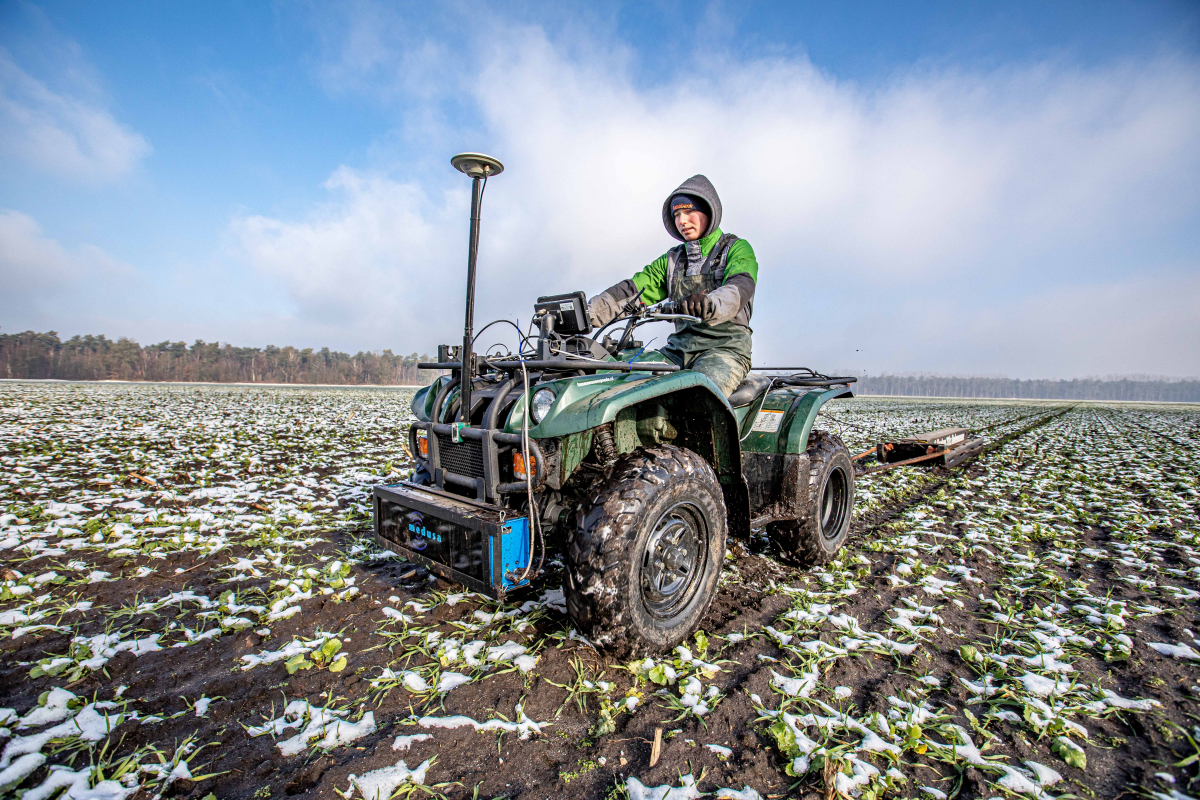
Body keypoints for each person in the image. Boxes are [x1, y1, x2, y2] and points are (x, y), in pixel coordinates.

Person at [587, 175, 758, 397]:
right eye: (676, 215)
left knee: (697, 398)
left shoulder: (735, 249)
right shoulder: (673, 260)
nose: (682, 221)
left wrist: (708, 303)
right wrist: (583, 314)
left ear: (709, 211)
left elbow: (738, 289)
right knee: (620, 378)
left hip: (725, 352)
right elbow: (632, 291)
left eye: (688, 212)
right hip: (678, 352)